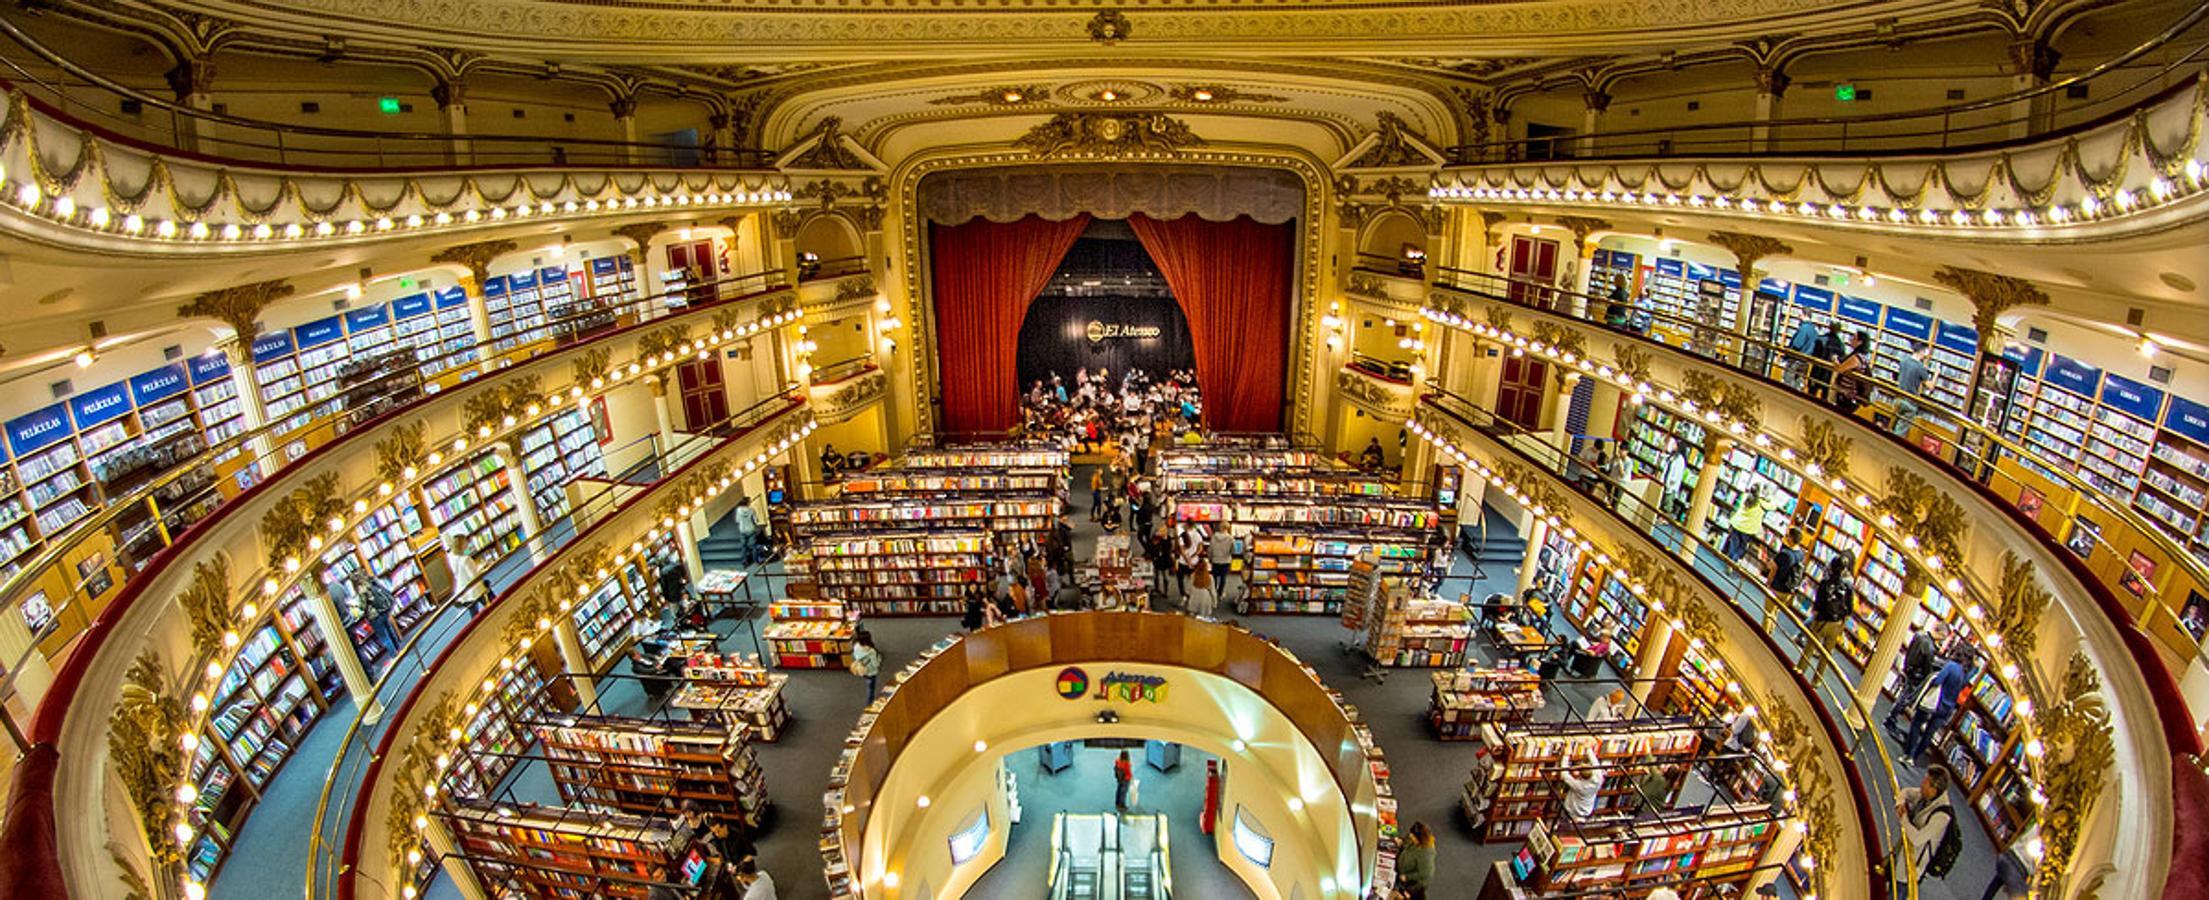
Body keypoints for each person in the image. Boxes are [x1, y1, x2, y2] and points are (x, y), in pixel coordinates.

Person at [1904, 648, 1975, 762]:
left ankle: (1909, 753)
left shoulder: (1951, 666)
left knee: (1917, 723)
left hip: (1935, 702)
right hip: (1948, 707)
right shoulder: (1965, 674)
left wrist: (1932, 678)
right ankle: (1915, 757)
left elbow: (1938, 681)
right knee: (1929, 733)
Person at [1894, 766, 1956, 886]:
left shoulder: (1942, 817)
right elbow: (1906, 792)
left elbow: (1917, 839)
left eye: (1925, 782)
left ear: (1933, 789)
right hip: (1902, 851)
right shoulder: (1927, 795)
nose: (1921, 785)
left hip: (1912, 865)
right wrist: (1900, 804)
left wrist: (1903, 817)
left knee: (1897, 890)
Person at [1804, 554, 1856, 688]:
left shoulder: (1825, 583)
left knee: (1810, 647)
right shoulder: (1848, 587)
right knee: (1826, 653)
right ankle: (1817, 680)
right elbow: (1850, 608)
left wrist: (1816, 615)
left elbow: (1818, 603)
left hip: (1821, 619)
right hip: (1836, 622)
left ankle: (1801, 670)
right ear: (1844, 569)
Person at [1885, 623, 1946, 733]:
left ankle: (1891, 716)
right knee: (1905, 698)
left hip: (1908, 667)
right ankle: (1891, 718)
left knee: (1903, 695)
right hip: (1916, 675)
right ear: (1940, 634)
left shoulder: (1919, 634)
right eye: (1943, 637)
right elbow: (1927, 667)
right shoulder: (1929, 647)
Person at [346, 568, 400, 656]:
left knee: (384, 637)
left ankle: (394, 655)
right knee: (389, 629)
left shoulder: (361, 588)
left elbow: (363, 606)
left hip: (374, 616)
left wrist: (354, 605)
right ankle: (398, 648)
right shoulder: (371, 580)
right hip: (383, 610)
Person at [1892, 341, 1933, 436]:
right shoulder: (1920, 367)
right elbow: (1930, 387)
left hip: (1898, 398)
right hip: (1910, 402)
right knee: (1900, 432)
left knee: (1892, 425)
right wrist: (1936, 374)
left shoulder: (1904, 361)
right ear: (1922, 351)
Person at [1723, 484, 1773, 561]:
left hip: (1737, 524)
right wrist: (1769, 498)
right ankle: (1733, 561)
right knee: (1742, 547)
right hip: (1748, 529)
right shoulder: (1761, 503)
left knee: (1733, 544)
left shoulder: (1744, 496)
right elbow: (1773, 506)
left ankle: (1729, 560)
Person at [1559, 746, 1607, 822]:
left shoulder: (1579, 786)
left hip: (1573, 812)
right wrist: (1588, 748)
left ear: (1580, 776)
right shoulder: (1599, 779)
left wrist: (1566, 756)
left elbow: (1564, 775)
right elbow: (1595, 763)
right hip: (1587, 811)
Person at [1833, 330, 1874, 414]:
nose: (1851, 340)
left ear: (1860, 342)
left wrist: (1834, 359)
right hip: (1849, 395)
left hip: (1847, 395)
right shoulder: (1863, 357)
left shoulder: (1856, 357)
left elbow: (1840, 369)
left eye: (1854, 338)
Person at [1397, 821, 1437, 900]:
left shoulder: (1426, 854)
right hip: (1402, 873)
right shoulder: (1414, 839)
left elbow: (1426, 874)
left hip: (1413, 884)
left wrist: (1407, 877)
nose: (1411, 837)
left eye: (1413, 837)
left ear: (1420, 838)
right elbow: (1407, 841)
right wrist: (1402, 842)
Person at [1785, 314, 1825, 388]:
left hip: (1796, 359)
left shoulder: (1803, 328)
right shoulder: (1814, 331)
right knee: (1799, 382)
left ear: (1804, 315)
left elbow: (1797, 344)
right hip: (1806, 360)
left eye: (1799, 314)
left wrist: (1788, 352)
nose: (1798, 316)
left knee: (1788, 381)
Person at [1769, 527, 1807, 601]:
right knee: (1776, 610)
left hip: (1778, 587)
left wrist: (1768, 583)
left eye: (1787, 535)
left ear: (1791, 538)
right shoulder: (1801, 554)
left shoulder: (1785, 553)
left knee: (1768, 611)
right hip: (1789, 590)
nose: (1785, 537)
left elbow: (1774, 568)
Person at [850, 629, 882, 700]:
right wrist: (879, 659)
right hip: (871, 672)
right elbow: (875, 664)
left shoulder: (856, 646)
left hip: (861, 669)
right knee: (871, 688)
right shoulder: (871, 651)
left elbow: (855, 655)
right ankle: (870, 702)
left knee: (868, 682)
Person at [733, 496, 761, 566]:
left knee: (743, 546)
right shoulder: (751, 510)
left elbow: (737, 520)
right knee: (753, 546)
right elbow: (756, 520)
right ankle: (756, 561)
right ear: (748, 503)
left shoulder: (738, 510)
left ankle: (744, 561)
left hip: (742, 530)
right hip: (750, 529)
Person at [1208, 525, 1235, 597]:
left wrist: (1210, 558)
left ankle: (1213, 592)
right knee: (1223, 577)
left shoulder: (1213, 537)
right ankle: (1220, 593)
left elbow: (1210, 549)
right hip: (1226, 561)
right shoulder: (1230, 538)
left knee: (1214, 577)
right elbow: (1233, 550)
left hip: (1215, 560)